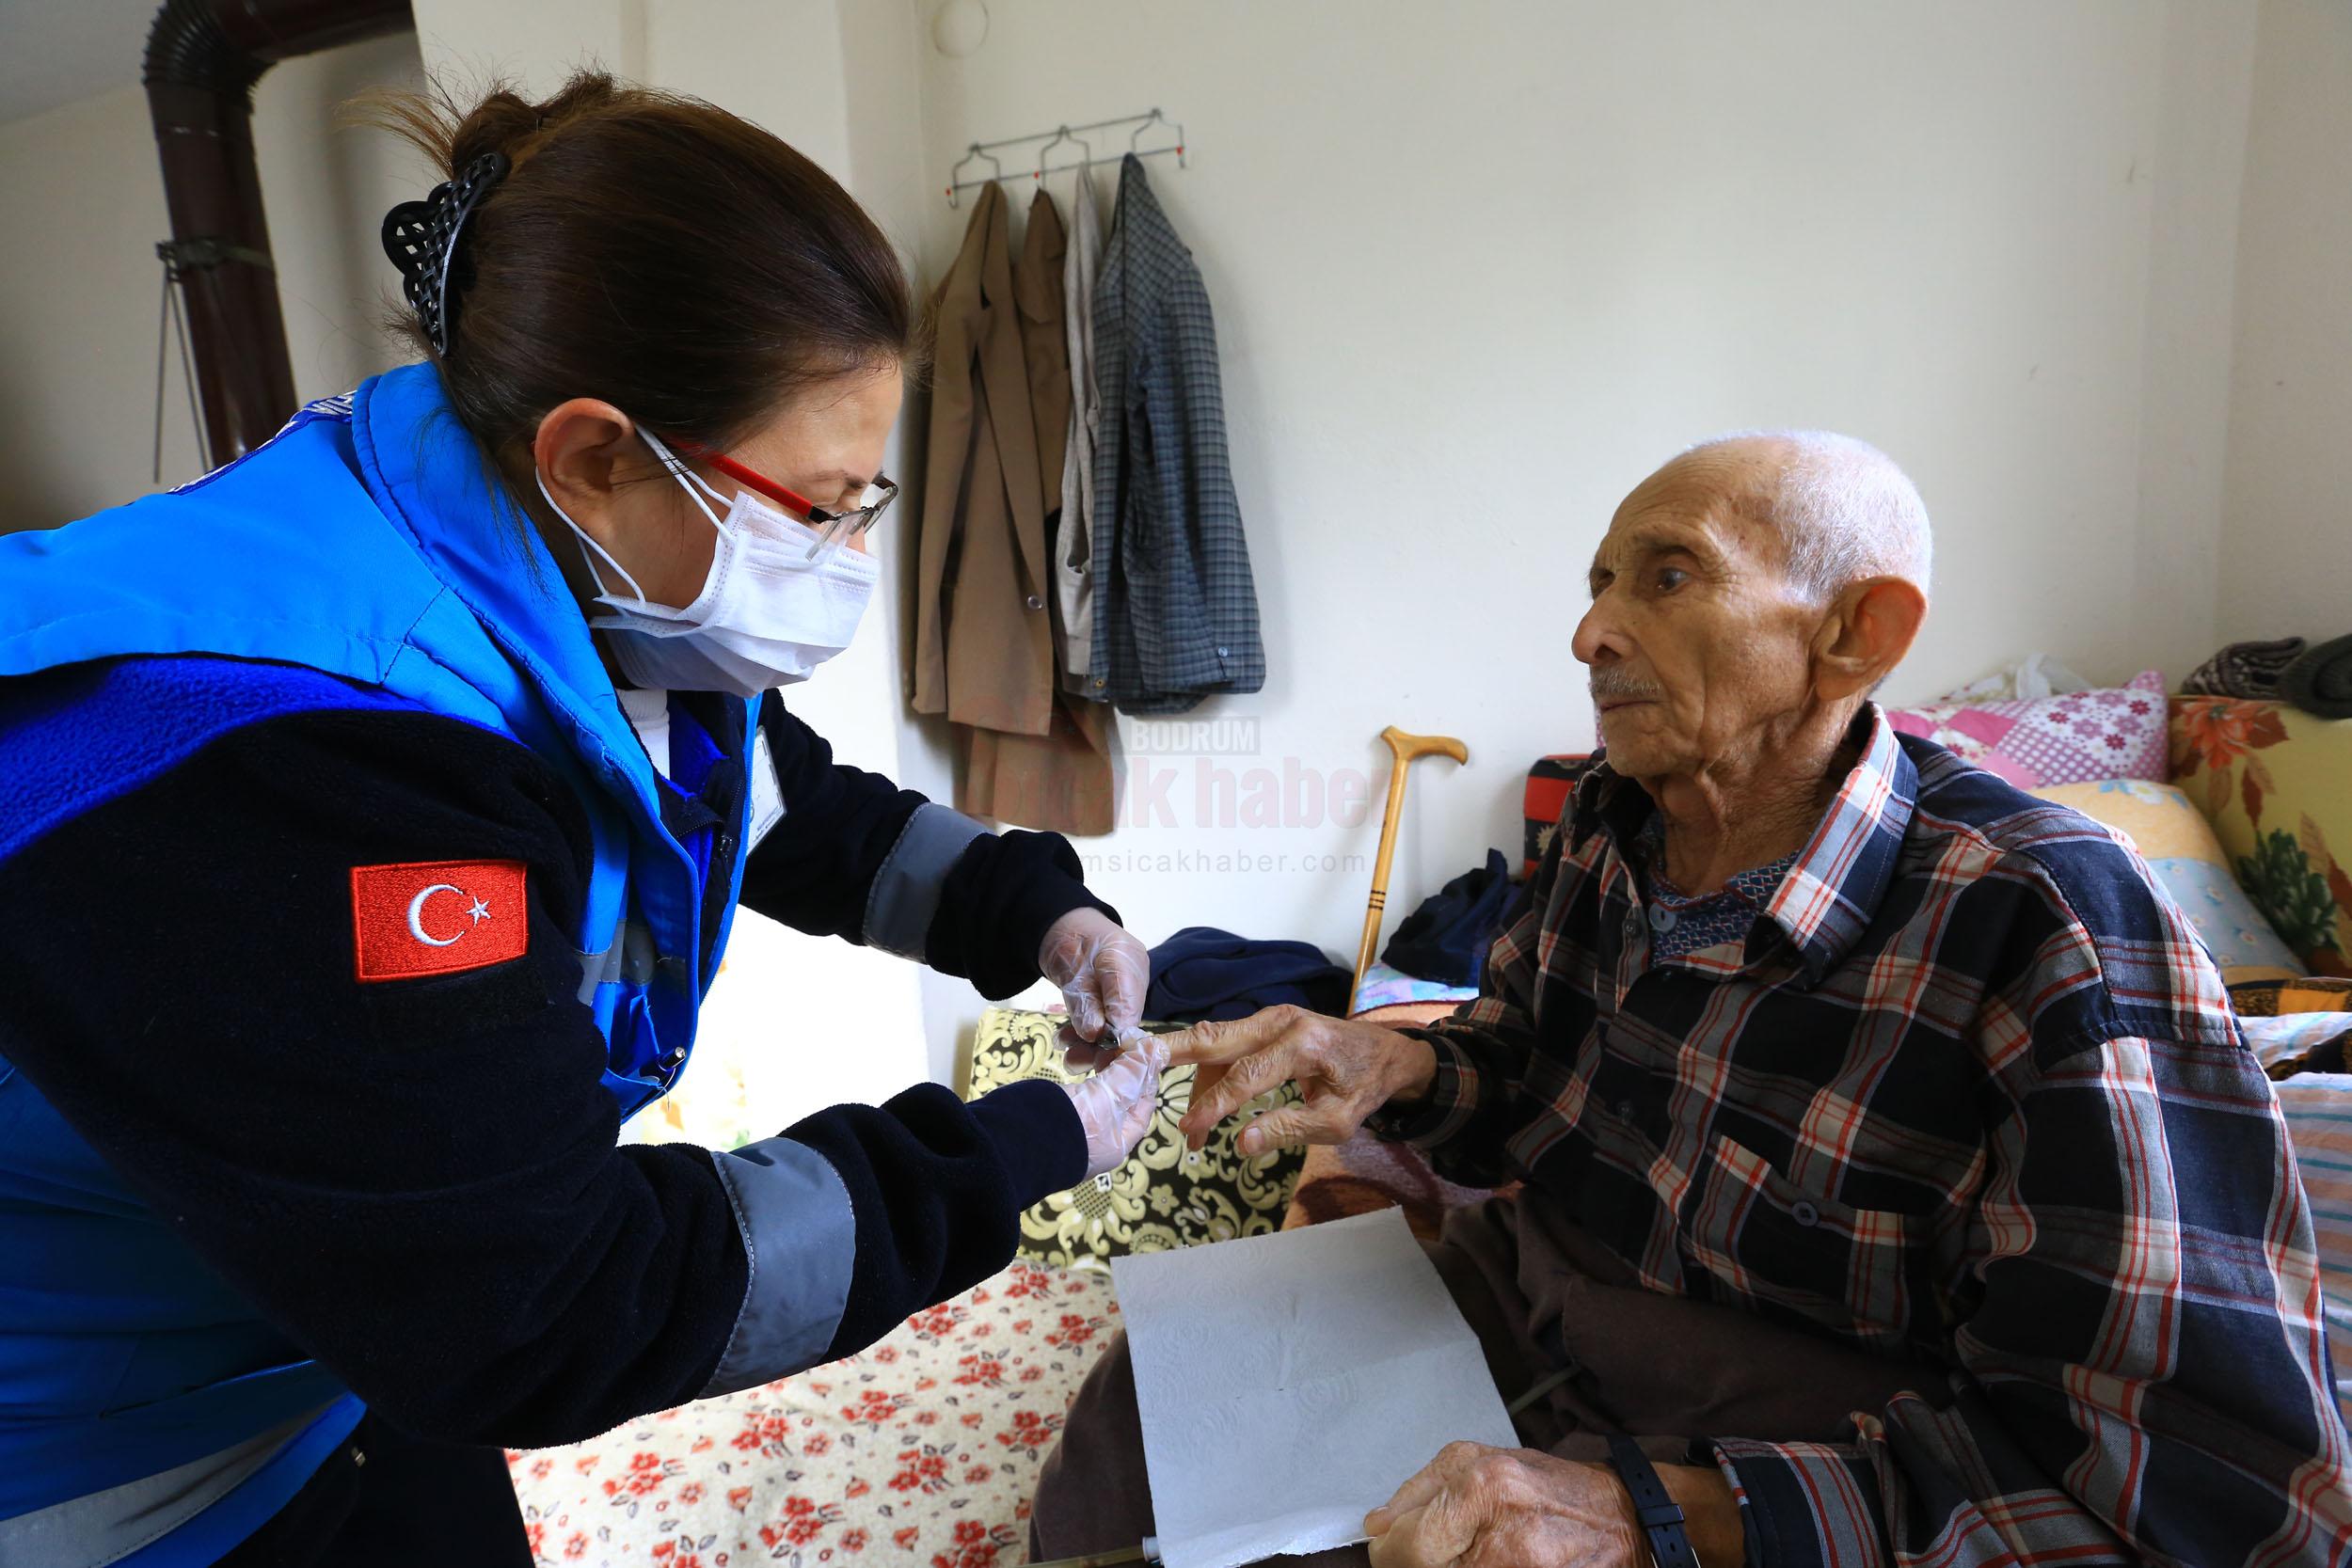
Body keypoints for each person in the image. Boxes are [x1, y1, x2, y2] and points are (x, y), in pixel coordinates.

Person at [0, 74, 1166, 1566]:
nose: (842, 559)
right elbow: (550, 1299)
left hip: (335, 1332)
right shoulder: (317, 770)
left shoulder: (542, 555)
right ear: (596, 455)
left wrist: (1033, 910)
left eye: (864, 505)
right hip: (104, 1466)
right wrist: (1013, 1151)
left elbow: (769, 805)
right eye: (815, 510)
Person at [1031, 433, 2352, 1567]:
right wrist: (1399, 1066)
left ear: (1856, 634)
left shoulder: (2046, 922)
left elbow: (2208, 1498)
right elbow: (1525, 1082)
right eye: (1600, 583)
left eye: (1668, 576)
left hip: (1819, 1443)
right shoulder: (1612, 829)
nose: (1590, 633)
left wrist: (1654, 1517)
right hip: (1541, 1304)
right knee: (1144, 1424)